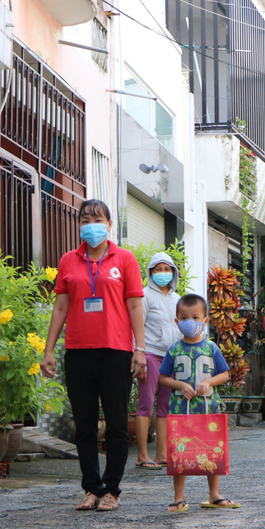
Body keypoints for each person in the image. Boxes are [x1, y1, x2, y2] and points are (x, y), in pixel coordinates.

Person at [40, 199, 147, 513]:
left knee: (116, 424)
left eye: (98, 220)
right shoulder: (69, 260)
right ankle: (92, 488)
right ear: (79, 225)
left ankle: (112, 490)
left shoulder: (124, 259)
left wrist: (140, 349)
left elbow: (135, 306)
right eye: (85, 220)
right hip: (78, 352)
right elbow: (60, 307)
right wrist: (49, 349)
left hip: (116, 351)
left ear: (109, 225)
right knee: (84, 425)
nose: (91, 225)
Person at [159, 294, 239, 513]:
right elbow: (163, 378)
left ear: (205, 321)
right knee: (179, 451)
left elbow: (224, 374)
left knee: (212, 449)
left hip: (208, 408)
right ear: (177, 321)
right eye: (184, 318)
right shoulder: (174, 350)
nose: (190, 321)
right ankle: (179, 496)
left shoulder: (211, 348)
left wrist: (208, 381)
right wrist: (179, 385)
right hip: (180, 409)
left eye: (195, 317)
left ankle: (214, 494)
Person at [136, 252, 182, 469]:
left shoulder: (177, 299)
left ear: (173, 272)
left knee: (165, 407)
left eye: (167, 269)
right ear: (150, 272)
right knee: (146, 404)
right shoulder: (144, 296)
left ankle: (162, 455)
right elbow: (136, 327)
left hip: (171, 358)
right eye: (158, 269)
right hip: (151, 355)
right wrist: (139, 355)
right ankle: (142, 456)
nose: (163, 273)